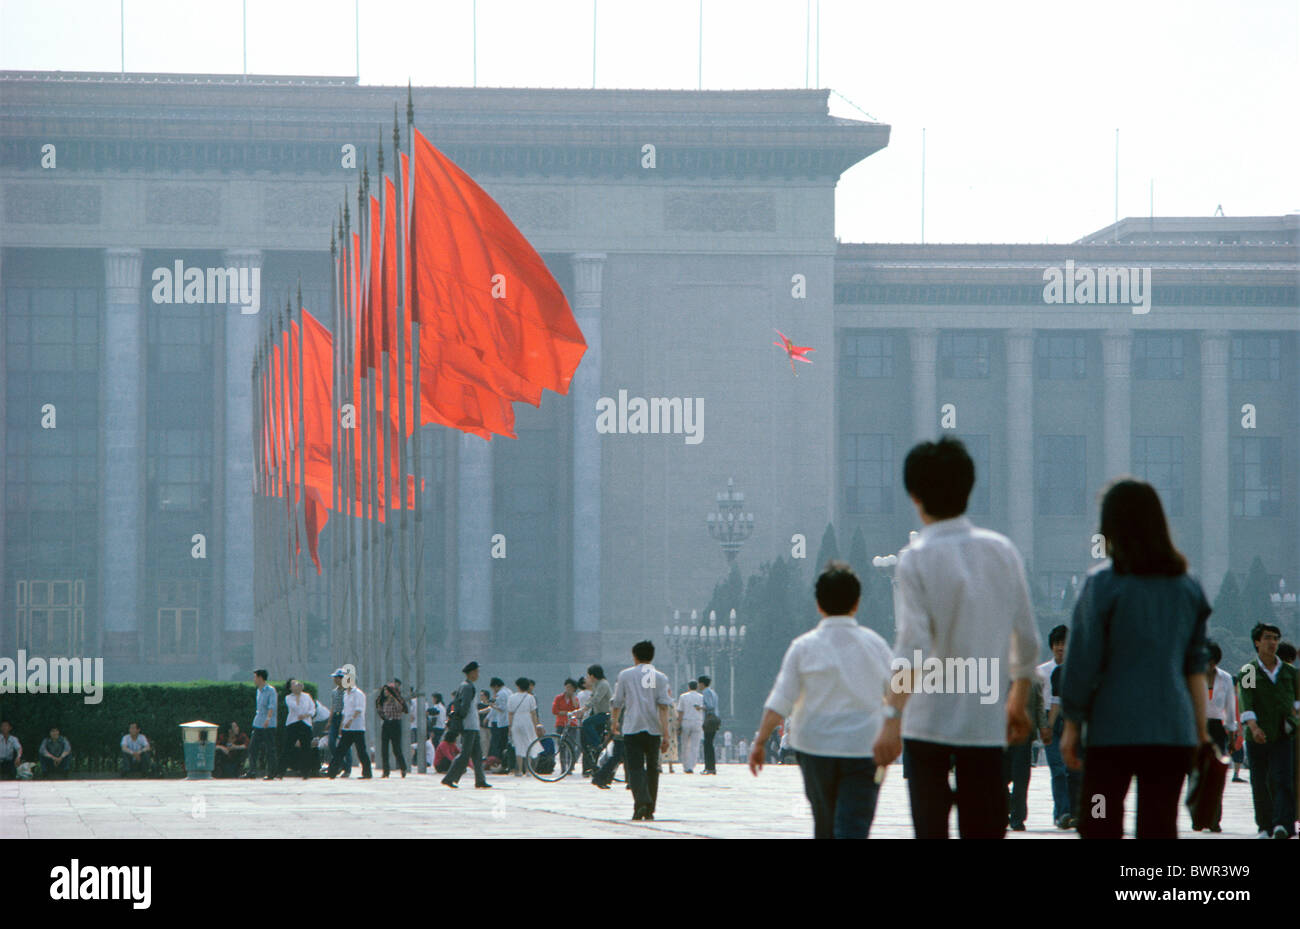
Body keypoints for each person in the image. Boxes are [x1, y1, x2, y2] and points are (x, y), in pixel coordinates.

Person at [871, 438, 1040, 839]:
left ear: (914, 495)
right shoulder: (1002, 551)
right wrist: (1017, 701)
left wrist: (892, 716)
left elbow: (912, 646)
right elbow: (1028, 639)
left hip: (927, 724)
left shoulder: (916, 557)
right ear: (969, 486)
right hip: (984, 722)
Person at [1060, 478, 1211, 840]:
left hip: (1112, 733)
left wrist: (1071, 724)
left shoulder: (1102, 585)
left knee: (1098, 820)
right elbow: (1195, 668)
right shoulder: (1187, 586)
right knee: (1159, 827)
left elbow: (1082, 662)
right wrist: (1201, 733)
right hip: (1172, 732)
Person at [751, 561, 894, 839]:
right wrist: (896, 730)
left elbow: (780, 700)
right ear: (857, 603)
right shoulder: (875, 644)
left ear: (818, 604)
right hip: (863, 749)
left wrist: (760, 742)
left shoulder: (803, 647)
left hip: (815, 750)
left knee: (824, 822)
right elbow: (897, 693)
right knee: (854, 823)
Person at [1239, 622, 1298, 839]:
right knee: (1260, 782)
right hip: (1257, 737)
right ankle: (1264, 826)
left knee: (1283, 780)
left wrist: (1293, 720)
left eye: (1275, 638)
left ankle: (1282, 824)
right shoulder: (1248, 671)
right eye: (1267, 638)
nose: (1272, 642)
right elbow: (1246, 702)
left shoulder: (1291, 673)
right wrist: (1253, 728)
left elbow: (1297, 703)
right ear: (1257, 642)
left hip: (1283, 735)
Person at [610, 640, 673, 821]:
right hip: (653, 729)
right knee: (653, 768)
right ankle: (650, 808)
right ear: (652, 656)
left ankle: (641, 802)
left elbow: (617, 703)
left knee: (635, 767)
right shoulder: (660, 677)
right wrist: (666, 734)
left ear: (634, 656)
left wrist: (614, 723)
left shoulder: (625, 675)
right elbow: (663, 707)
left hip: (632, 727)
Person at [1037, 625, 1071, 827]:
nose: (1061, 647)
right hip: (1049, 719)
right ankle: (1063, 812)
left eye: (1065, 643)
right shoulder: (1041, 672)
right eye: (1058, 643)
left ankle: (1065, 811)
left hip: (1070, 719)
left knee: (1071, 770)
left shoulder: (1076, 670)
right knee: (1057, 769)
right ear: (1052, 646)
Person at [1004, 671, 1046, 831]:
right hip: (1001, 735)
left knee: (1021, 778)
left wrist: (1043, 726)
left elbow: (1039, 704)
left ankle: (1018, 817)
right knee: (1000, 777)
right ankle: (1005, 807)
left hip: (1024, 735)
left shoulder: (1033, 676)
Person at [442, 662, 491, 789]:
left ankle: (480, 780)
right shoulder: (467, 687)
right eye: (477, 672)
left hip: (473, 725)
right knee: (465, 755)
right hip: (468, 725)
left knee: (477, 755)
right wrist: (462, 718)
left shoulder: (466, 686)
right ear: (472, 672)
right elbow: (465, 706)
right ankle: (449, 778)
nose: (478, 674)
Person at [327, 674, 373, 779]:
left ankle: (367, 773)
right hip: (347, 728)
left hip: (357, 728)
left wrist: (351, 720)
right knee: (340, 750)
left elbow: (358, 709)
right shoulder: (346, 694)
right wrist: (343, 724)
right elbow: (345, 711)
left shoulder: (358, 694)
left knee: (361, 751)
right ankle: (331, 773)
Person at [507, 677, 543, 776]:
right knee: (529, 745)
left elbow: (510, 713)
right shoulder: (530, 697)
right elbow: (533, 713)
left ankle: (518, 770)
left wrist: (510, 726)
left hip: (516, 721)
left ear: (518, 686)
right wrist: (536, 726)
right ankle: (528, 770)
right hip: (527, 721)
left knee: (518, 745)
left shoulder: (511, 697)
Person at [376, 677, 410, 778]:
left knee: (396, 749)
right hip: (386, 724)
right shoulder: (384, 701)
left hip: (395, 724)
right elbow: (380, 711)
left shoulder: (397, 700)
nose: (385, 692)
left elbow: (401, 709)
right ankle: (386, 771)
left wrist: (394, 697)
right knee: (384, 749)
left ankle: (403, 768)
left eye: (387, 691)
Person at [248, 669, 279, 780]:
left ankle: (272, 773)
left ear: (261, 678)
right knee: (252, 748)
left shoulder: (270, 690)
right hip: (258, 723)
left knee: (269, 749)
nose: (254, 680)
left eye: (255, 677)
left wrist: (268, 718)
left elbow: (272, 706)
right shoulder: (258, 690)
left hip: (268, 724)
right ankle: (251, 771)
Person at [582, 665, 612, 776]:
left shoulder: (603, 684)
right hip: (598, 713)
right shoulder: (596, 684)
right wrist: (581, 709)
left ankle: (597, 744)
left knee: (586, 723)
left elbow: (596, 699)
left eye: (588, 675)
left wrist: (584, 709)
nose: (587, 678)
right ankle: (595, 766)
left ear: (592, 675)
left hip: (605, 714)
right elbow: (592, 697)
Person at [284, 678, 317, 779]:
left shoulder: (307, 696)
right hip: (293, 723)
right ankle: (280, 771)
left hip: (305, 723)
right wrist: (298, 695)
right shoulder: (289, 698)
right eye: (293, 684)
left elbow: (313, 709)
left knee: (306, 748)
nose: (296, 685)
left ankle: (305, 772)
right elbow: (296, 708)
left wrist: (307, 715)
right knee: (287, 748)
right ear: (290, 687)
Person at [326, 669, 352, 778]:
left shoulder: (347, 692)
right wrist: (329, 721)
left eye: (336, 678)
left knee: (345, 745)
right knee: (331, 742)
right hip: (335, 718)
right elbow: (333, 706)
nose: (335, 680)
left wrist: (344, 722)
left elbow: (347, 708)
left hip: (343, 717)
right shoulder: (334, 691)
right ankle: (343, 765)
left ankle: (347, 769)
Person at [677, 680, 705, 773]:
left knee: (685, 745)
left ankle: (686, 766)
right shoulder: (701, 697)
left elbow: (680, 711)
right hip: (697, 721)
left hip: (686, 721)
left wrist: (679, 724)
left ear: (688, 687)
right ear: (696, 687)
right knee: (695, 746)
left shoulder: (683, 696)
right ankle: (692, 766)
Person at [553, 679, 581, 761]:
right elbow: (555, 711)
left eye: (571, 687)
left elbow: (576, 708)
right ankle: (563, 766)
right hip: (560, 723)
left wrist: (572, 697)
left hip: (572, 724)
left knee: (571, 745)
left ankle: (570, 764)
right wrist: (566, 712)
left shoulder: (575, 699)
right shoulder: (559, 698)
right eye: (567, 687)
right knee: (561, 745)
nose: (568, 689)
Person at [486, 678, 512, 765]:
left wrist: (492, 705)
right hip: (509, 720)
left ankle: (501, 762)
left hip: (502, 721)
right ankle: (506, 761)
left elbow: (502, 708)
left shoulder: (500, 694)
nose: (494, 690)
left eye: (493, 688)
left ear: (496, 686)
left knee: (501, 744)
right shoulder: (509, 691)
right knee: (506, 742)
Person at [699, 674, 720, 774]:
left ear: (702, 684)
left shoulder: (705, 692)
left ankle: (709, 767)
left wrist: (700, 707)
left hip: (709, 719)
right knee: (710, 743)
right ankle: (711, 767)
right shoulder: (713, 692)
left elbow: (710, 706)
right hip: (715, 719)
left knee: (707, 744)